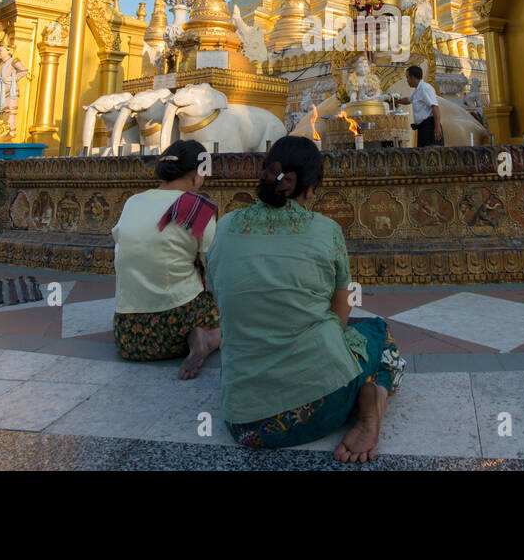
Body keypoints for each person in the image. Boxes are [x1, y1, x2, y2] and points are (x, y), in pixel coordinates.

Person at [207, 136, 405, 463]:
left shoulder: (226, 226)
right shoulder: (326, 230)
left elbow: (223, 302)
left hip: (244, 422)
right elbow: (340, 319)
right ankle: (373, 397)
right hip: (321, 404)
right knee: (378, 332)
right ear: (311, 187)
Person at [110, 139, 221, 380]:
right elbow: (216, 266)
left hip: (130, 337)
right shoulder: (196, 206)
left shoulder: (133, 201)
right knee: (237, 316)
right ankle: (208, 337)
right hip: (177, 326)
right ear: (196, 175)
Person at [394, 64, 442, 146]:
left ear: (413, 77)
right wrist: (395, 101)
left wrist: (437, 127)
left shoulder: (425, 88)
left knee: (430, 154)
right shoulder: (418, 90)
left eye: (407, 77)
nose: (407, 80)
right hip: (423, 128)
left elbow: (435, 107)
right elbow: (408, 100)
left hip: (429, 127)